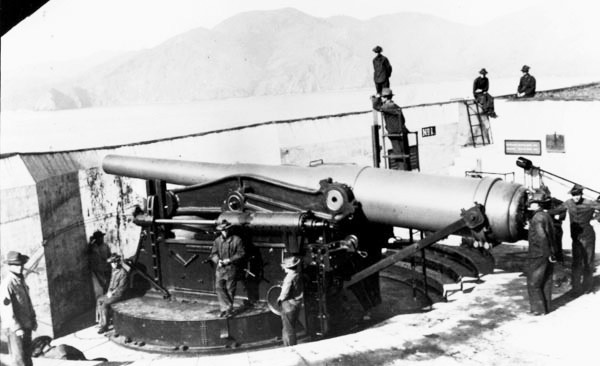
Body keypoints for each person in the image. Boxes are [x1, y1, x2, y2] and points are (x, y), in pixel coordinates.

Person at [549, 184, 600, 294]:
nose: (576, 197)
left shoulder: (589, 203)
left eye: (578, 194)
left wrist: (596, 219)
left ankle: (588, 287)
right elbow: (556, 210)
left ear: (581, 194)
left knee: (588, 262)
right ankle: (576, 288)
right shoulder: (568, 203)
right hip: (576, 238)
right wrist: (543, 213)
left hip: (588, 237)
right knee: (576, 263)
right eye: (574, 195)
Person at [0, 251, 37, 366]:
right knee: (19, 360)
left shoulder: (21, 281)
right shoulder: (8, 284)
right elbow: (6, 309)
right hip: (15, 329)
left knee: (27, 358)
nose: (20, 267)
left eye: (21, 264)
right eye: (16, 265)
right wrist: (17, 328)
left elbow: (27, 302)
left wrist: (33, 319)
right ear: (9, 266)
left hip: (26, 325)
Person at [526, 189, 556, 315]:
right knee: (546, 280)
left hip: (538, 253)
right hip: (548, 252)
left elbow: (542, 236)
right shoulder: (546, 215)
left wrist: (546, 253)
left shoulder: (537, 218)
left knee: (533, 282)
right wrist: (551, 254)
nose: (529, 204)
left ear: (538, 204)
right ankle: (547, 307)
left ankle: (538, 310)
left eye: (532, 202)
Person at [210, 220, 245, 317]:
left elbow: (241, 253)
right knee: (219, 287)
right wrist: (218, 261)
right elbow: (213, 254)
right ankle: (225, 308)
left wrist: (229, 260)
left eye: (226, 230)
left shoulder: (237, 240)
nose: (225, 232)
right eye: (222, 230)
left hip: (231, 268)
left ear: (230, 229)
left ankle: (228, 311)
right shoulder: (217, 241)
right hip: (220, 268)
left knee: (230, 289)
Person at [371, 88, 411, 170]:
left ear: (385, 97)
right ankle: (405, 172)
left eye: (382, 97)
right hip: (401, 132)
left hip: (395, 134)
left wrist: (375, 98)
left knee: (399, 155)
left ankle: (402, 174)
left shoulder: (388, 106)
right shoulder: (395, 105)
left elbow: (376, 107)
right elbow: (403, 120)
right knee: (403, 154)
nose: (381, 98)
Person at [96, 254, 129, 334]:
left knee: (105, 304)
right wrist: (108, 292)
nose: (112, 264)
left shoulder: (123, 273)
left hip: (119, 295)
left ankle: (105, 326)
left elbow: (122, 288)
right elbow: (111, 284)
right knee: (99, 300)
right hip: (112, 294)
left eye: (114, 262)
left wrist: (112, 293)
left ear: (118, 262)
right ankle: (101, 322)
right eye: (111, 263)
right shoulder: (114, 271)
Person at [277, 256, 304, 346]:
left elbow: (284, 293)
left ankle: (290, 348)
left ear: (288, 267)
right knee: (291, 327)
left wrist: (279, 300)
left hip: (289, 305)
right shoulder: (298, 274)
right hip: (297, 304)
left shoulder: (289, 277)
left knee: (288, 330)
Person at [31, 335, 107, 362]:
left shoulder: (42, 359)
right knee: (104, 360)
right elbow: (81, 356)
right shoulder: (61, 348)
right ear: (47, 343)